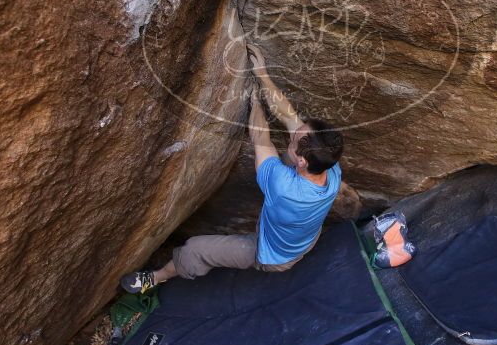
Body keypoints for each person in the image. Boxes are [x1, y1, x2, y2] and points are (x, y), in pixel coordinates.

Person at [120, 44, 344, 293]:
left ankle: (156, 277)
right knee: (285, 153)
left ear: (303, 162)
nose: (294, 131)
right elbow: (289, 117)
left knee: (195, 248)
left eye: (294, 140)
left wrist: (254, 101)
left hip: (271, 254)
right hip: (303, 240)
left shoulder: (283, 188)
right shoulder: (332, 169)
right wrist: (262, 75)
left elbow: (260, 137)